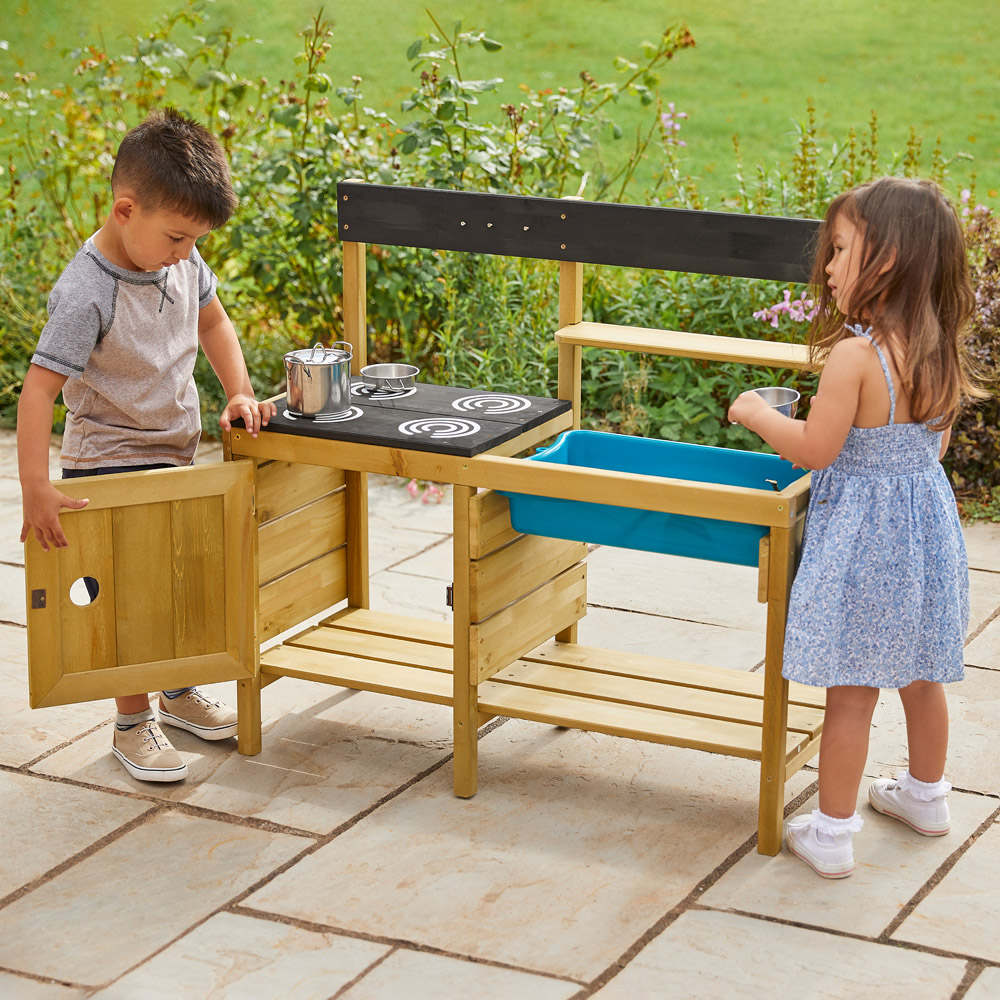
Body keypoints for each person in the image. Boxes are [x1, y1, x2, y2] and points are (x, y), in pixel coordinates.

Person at [728, 177, 984, 878]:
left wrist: (755, 412)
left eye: (840, 251)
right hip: (925, 534)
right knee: (921, 676)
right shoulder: (938, 349)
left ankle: (833, 834)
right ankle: (927, 796)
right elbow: (930, 448)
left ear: (890, 259)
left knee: (852, 691)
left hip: (867, 544)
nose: (830, 269)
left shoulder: (855, 357)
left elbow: (815, 449)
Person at [17, 107, 277, 783]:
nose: (185, 253)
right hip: (107, 461)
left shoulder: (180, 260)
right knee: (130, 599)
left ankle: (178, 690)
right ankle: (132, 721)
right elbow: (37, 392)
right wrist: (38, 488)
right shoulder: (86, 292)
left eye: (194, 240)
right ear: (125, 209)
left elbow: (215, 324)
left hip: (176, 451)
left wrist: (239, 392)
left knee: (183, 581)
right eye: (176, 238)